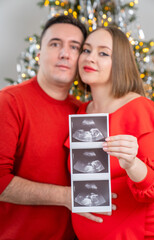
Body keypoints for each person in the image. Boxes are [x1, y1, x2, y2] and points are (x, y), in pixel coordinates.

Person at [0, 14, 88, 240]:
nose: (64, 53)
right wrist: (67, 196)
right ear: (39, 54)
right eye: (55, 43)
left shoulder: (84, 113)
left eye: (74, 47)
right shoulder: (9, 102)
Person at [69, 27, 154, 239]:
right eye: (86, 50)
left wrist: (131, 163)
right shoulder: (82, 112)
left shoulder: (141, 109)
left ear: (120, 63)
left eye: (103, 53)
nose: (90, 58)